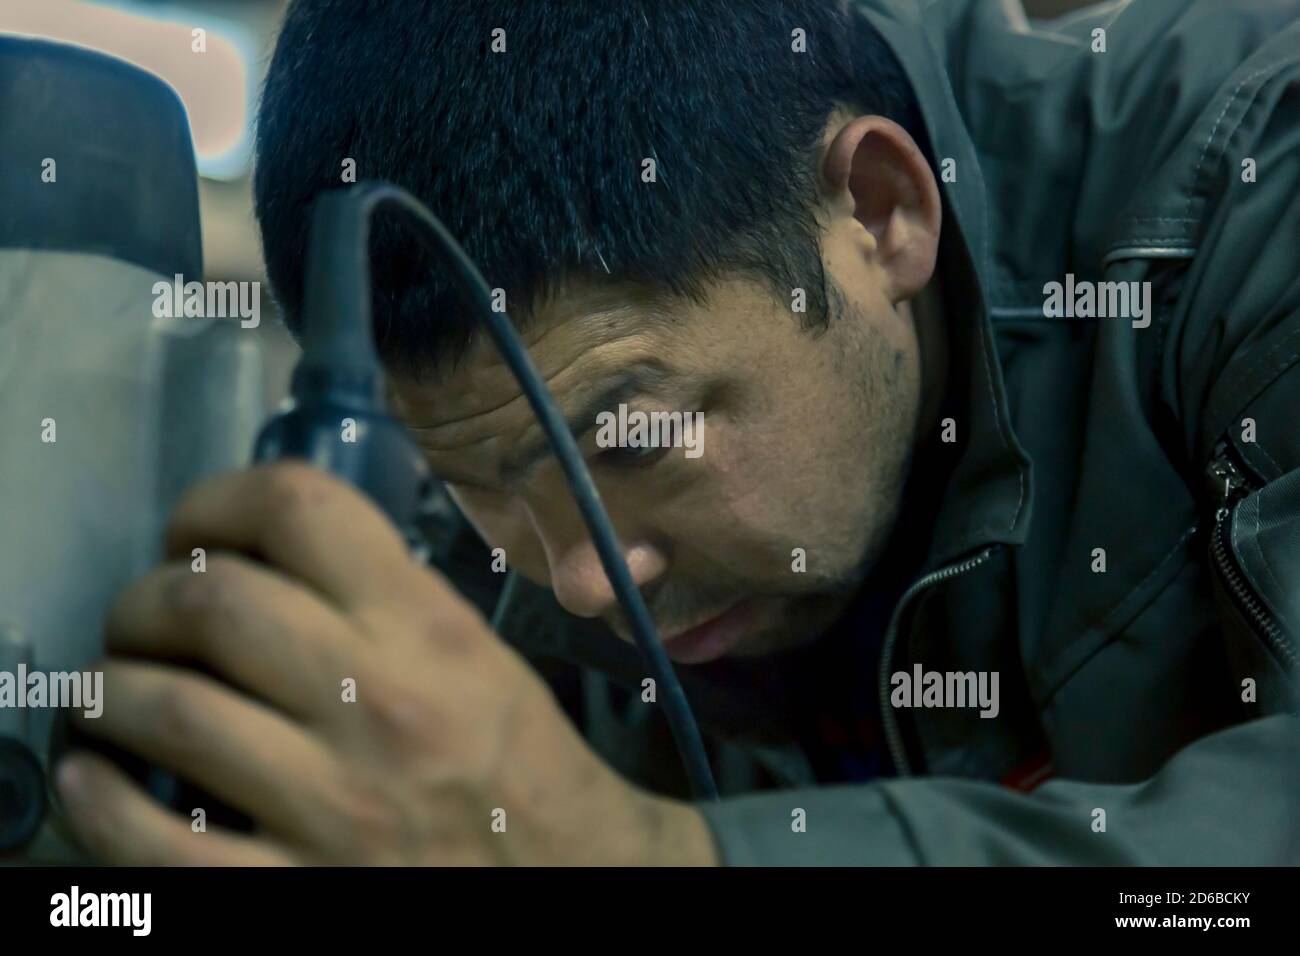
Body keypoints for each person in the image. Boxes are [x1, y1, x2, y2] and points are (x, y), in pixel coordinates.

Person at [57, 0, 1300, 865]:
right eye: (484, 485)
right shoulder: (480, 540)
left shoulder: (1249, 208)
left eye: (635, 434)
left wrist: (643, 855)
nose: (587, 579)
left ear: (877, 213)